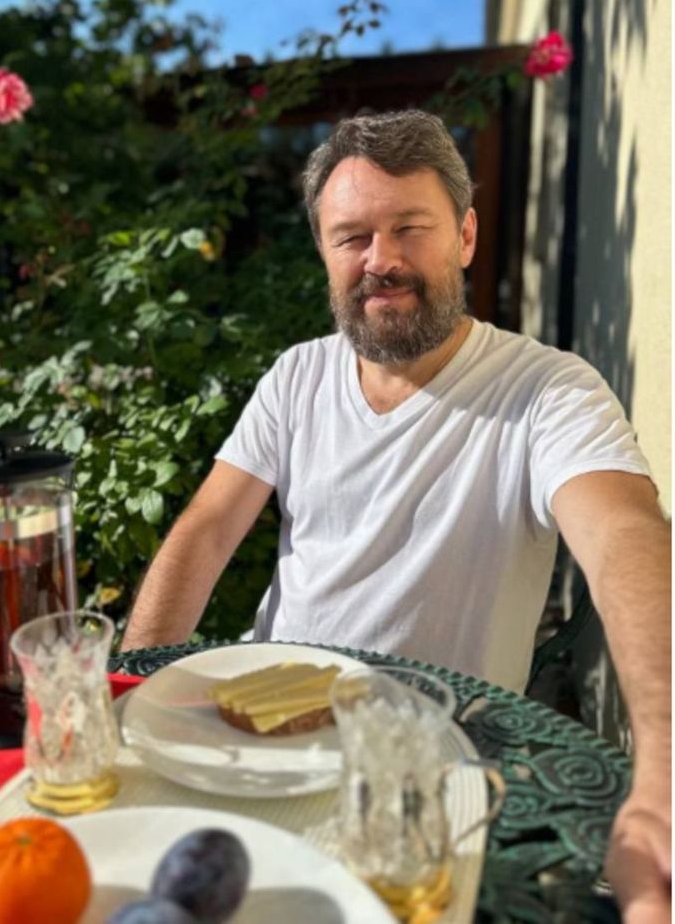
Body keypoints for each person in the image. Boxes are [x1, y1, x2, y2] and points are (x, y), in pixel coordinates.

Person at [119, 109, 669, 921]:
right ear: (324, 253)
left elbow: (625, 530)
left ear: (467, 236)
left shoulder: (548, 391)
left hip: (429, 778)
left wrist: (660, 768)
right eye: (352, 237)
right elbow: (206, 529)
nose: (381, 261)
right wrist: (130, 680)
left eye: (410, 227)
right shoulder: (297, 377)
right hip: (264, 745)